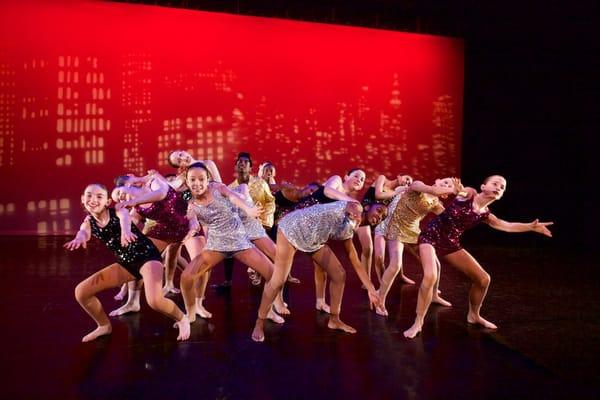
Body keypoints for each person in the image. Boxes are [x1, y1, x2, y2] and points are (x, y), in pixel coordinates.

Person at [403, 175, 553, 338]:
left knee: (483, 279)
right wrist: (457, 191)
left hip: (451, 243)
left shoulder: (485, 214)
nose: (498, 187)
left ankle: (474, 315)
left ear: (501, 195)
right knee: (430, 275)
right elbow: (460, 193)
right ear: (483, 187)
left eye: (502, 187)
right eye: (495, 184)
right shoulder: (470, 193)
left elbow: (507, 226)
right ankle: (418, 322)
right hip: (430, 236)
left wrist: (530, 227)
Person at [64, 184, 190, 342]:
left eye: (99, 196)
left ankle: (182, 318)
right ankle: (103, 326)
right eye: (89, 195)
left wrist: (126, 231)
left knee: (154, 301)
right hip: (126, 264)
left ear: (107, 201)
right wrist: (79, 238)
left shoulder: (118, 210)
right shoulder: (89, 222)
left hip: (148, 258)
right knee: (81, 292)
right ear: (83, 199)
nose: (93, 200)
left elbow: (124, 220)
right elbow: (84, 232)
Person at [252, 200, 387, 342]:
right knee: (279, 280)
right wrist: (357, 214)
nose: (380, 216)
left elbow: (355, 260)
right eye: (379, 210)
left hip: (314, 240)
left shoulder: (349, 230)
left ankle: (334, 320)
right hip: (292, 229)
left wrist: (372, 290)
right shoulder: (356, 207)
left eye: (383, 217)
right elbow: (352, 207)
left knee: (339, 274)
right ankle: (259, 321)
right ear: (367, 207)